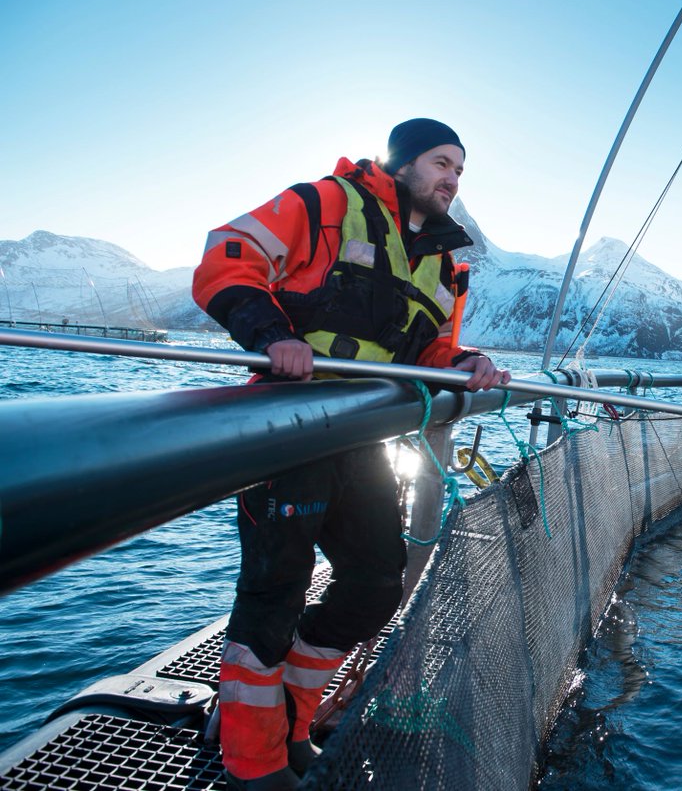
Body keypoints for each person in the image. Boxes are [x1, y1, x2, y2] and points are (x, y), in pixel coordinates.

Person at [192, 118, 510, 790]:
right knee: (274, 592)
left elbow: (431, 352)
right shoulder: (327, 203)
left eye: (461, 168)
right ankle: (253, 763)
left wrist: (467, 361)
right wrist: (272, 334)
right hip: (287, 425)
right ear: (400, 163)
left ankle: (289, 720)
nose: (453, 177)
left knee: (374, 582)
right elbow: (228, 255)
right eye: (441, 162)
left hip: (362, 437)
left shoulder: (449, 265)